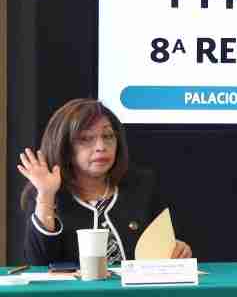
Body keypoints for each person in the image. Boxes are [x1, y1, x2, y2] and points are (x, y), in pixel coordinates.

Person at [18, 98, 192, 265]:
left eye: (108, 136)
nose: (101, 147)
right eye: (86, 139)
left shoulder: (142, 185)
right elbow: (39, 262)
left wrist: (177, 250)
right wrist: (46, 195)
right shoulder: (46, 194)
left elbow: (165, 248)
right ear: (64, 147)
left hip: (137, 286)